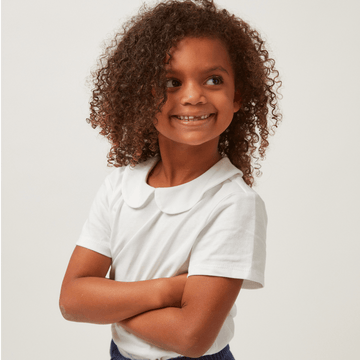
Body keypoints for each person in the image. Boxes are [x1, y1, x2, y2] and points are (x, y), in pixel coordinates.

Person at [59, 1, 282, 359]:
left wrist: (111, 303)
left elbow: (191, 336)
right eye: (170, 82)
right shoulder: (120, 187)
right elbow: (71, 300)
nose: (193, 96)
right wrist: (167, 291)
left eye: (213, 79)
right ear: (140, 95)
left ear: (237, 95)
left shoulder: (233, 202)